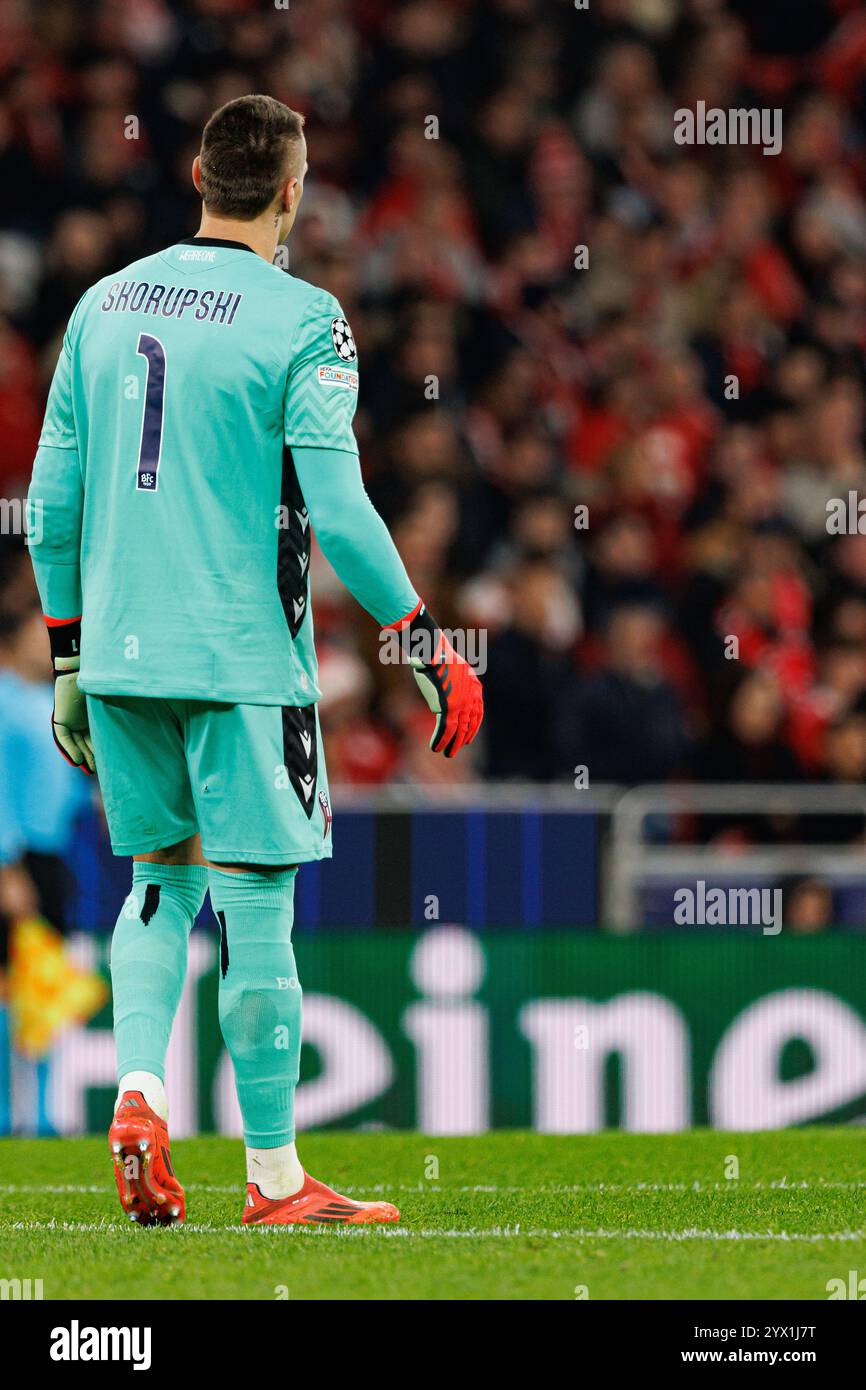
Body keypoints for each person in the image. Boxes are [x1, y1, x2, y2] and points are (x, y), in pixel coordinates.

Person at [27, 94, 483, 1228]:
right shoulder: (305, 319)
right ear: (291, 190)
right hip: (239, 658)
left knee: (154, 883)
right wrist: (422, 639)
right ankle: (275, 1178)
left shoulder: (100, 305)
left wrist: (70, 654)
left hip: (122, 652)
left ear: (194, 173)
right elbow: (338, 507)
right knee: (256, 902)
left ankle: (137, 1098)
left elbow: (46, 507)